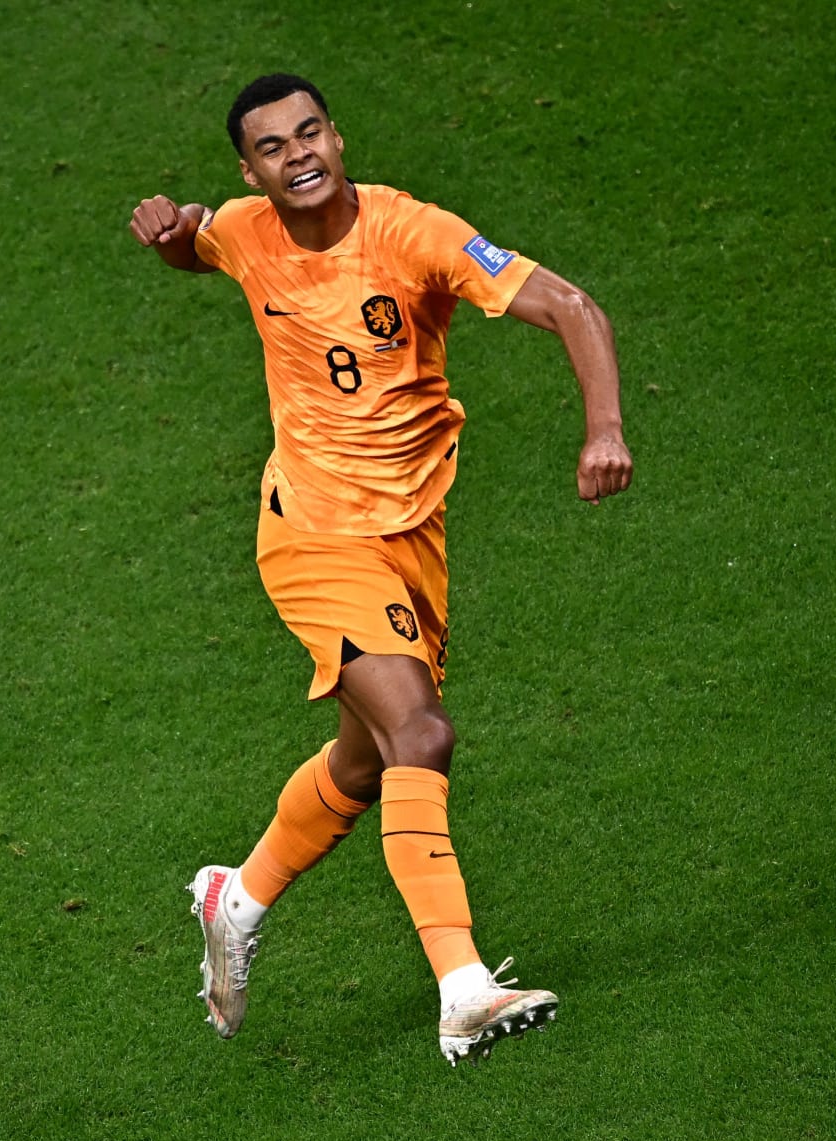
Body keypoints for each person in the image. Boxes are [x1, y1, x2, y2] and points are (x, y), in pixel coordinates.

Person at [127, 73, 631, 1067]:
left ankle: (240, 896)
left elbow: (573, 306)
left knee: (363, 763)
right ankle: (464, 988)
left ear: (338, 137)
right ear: (249, 169)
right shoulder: (245, 229)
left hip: (411, 541)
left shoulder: (415, 233)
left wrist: (603, 430)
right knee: (421, 733)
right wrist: (172, 233)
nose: (298, 154)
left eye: (310, 132)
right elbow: (205, 245)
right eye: (273, 147)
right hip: (313, 536)